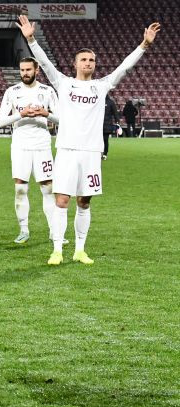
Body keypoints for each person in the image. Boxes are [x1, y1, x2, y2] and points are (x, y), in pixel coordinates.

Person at [17, 15, 160, 265]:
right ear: (75, 64)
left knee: (84, 201)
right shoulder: (64, 83)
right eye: (84, 59)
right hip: (67, 151)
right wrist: (30, 39)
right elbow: (45, 63)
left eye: (92, 60)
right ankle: (57, 250)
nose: (88, 63)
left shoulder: (101, 86)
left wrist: (144, 45)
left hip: (91, 152)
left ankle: (80, 250)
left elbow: (124, 68)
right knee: (61, 200)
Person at [0, 56, 59, 244]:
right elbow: (0, 122)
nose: (25, 73)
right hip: (20, 146)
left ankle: (54, 231)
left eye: (28, 70)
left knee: (48, 189)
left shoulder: (47, 91)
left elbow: (63, 119)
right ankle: (24, 230)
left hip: (42, 145)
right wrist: (20, 114)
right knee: (20, 189)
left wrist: (44, 113)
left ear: (36, 70)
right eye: (22, 70)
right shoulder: (12, 92)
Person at [102, 94, 119, 160]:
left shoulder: (111, 102)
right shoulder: (98, 101)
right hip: (98, 125)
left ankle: (105, 154)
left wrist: (117, 122)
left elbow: (115, 113)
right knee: (99, 140)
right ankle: (100, 153)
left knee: (105, 139)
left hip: (107, 124)